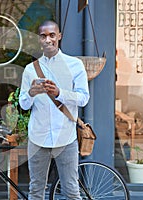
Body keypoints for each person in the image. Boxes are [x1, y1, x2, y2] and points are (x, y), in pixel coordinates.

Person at [19, 20, 90, 199]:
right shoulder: (30, 70)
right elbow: (23, 104)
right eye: (43, 36)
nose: (48, 39)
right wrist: (31, 93)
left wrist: (60, 93)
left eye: (52, 35)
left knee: (71, 191)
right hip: (38, 137)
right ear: (39, 39)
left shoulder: (75, 65)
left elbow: (83, 98)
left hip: (66, 137)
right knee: (35, 191)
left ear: (59, 36)